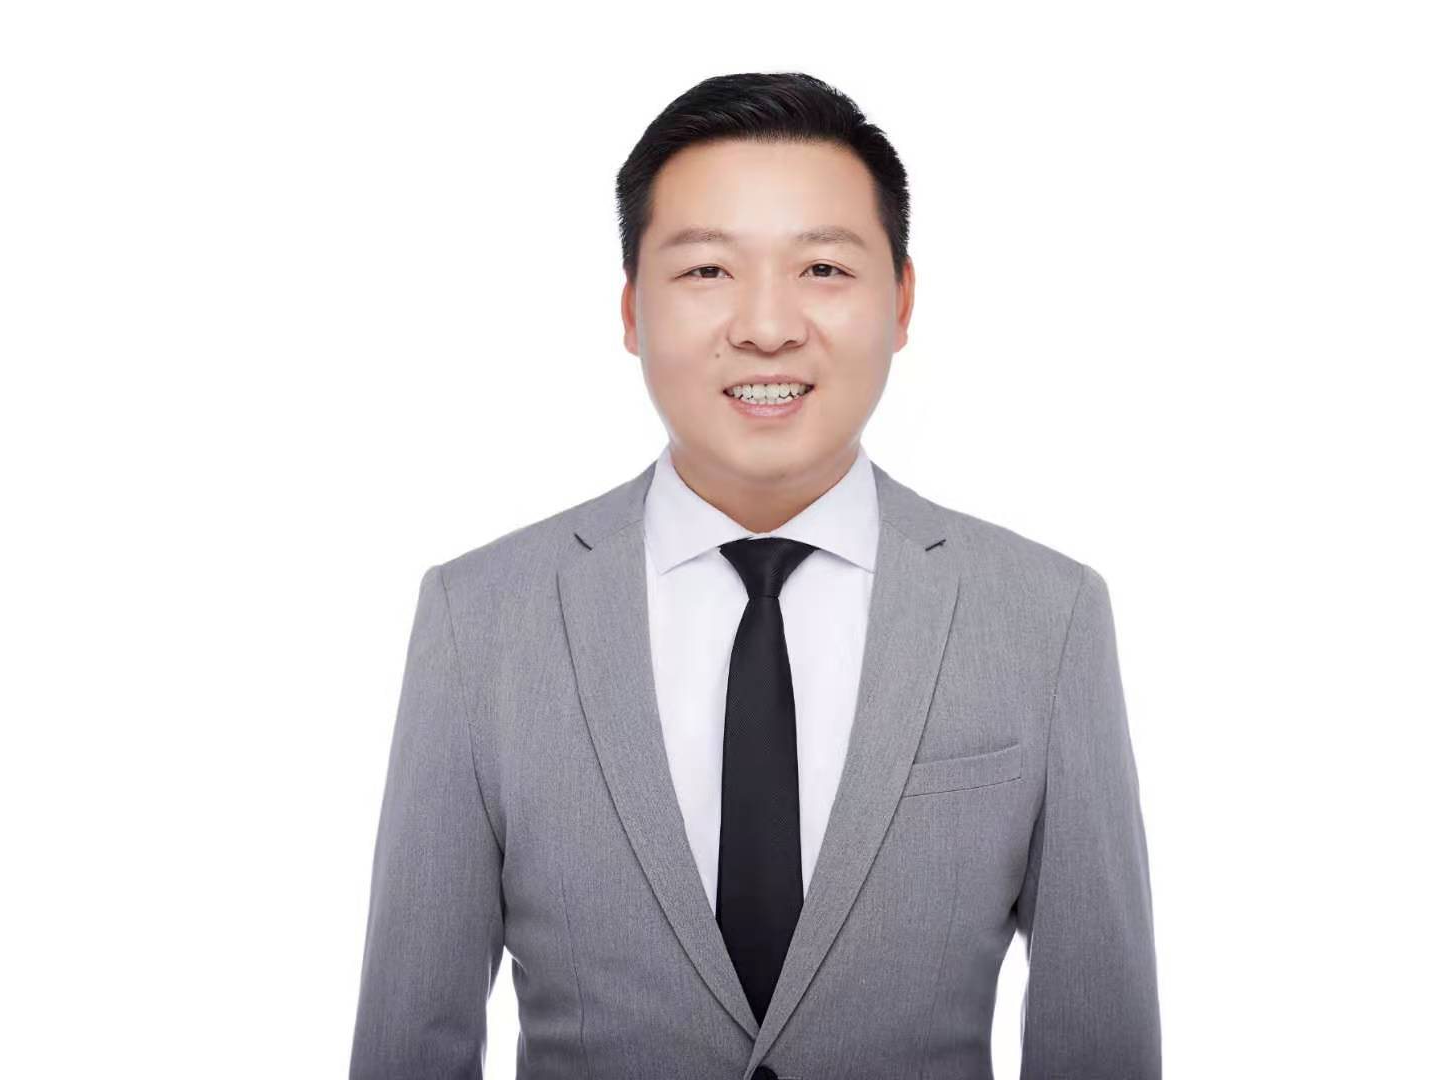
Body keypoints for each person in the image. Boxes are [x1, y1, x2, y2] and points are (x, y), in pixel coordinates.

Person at [349, 71, 1160, 1080]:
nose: (766, 327)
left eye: (822, 268)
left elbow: (1097, 1037)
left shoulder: (1044, 615)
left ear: (901, 301)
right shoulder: (479, 618)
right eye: (706, 270)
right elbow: (413, 1038)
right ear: (631, 308)